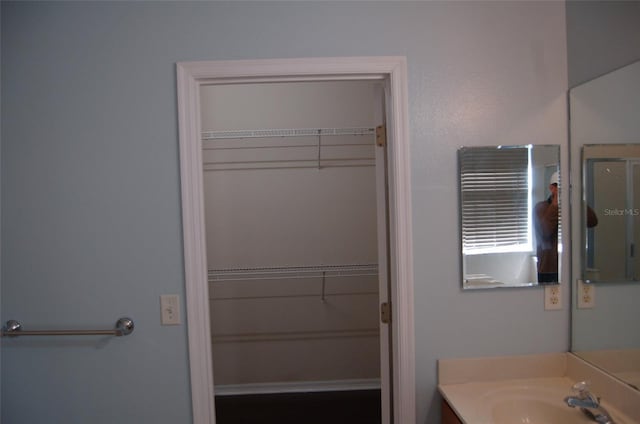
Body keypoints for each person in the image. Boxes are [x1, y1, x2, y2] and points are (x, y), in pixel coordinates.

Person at [534, 171, 560, 283]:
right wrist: (555, 205)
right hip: (548, 268)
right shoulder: (541, 207)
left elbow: (593, 222)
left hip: (572, 267)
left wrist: (579, 201)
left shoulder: (573, 206)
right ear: (552, 188)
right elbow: (545, 231)